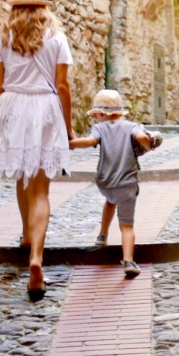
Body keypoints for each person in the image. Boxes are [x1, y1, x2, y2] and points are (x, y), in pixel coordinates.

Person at [0, 0, 73, 301]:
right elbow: (63, 86)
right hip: (44, 108)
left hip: (13, 108)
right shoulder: (57, 38)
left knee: (22, 175)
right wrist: (68, 127)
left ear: (15, 6)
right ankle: (37, 259)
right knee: (42, 188)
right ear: (43, 7)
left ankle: (26, 236)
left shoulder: (3, 38)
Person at [69, 88, 161, 278]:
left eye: (96, 115)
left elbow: (88, 142)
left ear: (101, 114)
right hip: (126, 183)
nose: (96, 119)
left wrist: (70, 143)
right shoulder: (132, 126)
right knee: (127, 226)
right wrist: (150, 139)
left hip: (107, 181)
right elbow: (140, 139)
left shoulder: (99, 128)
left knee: (110, 200)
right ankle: (128, 261)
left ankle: (102, 236)